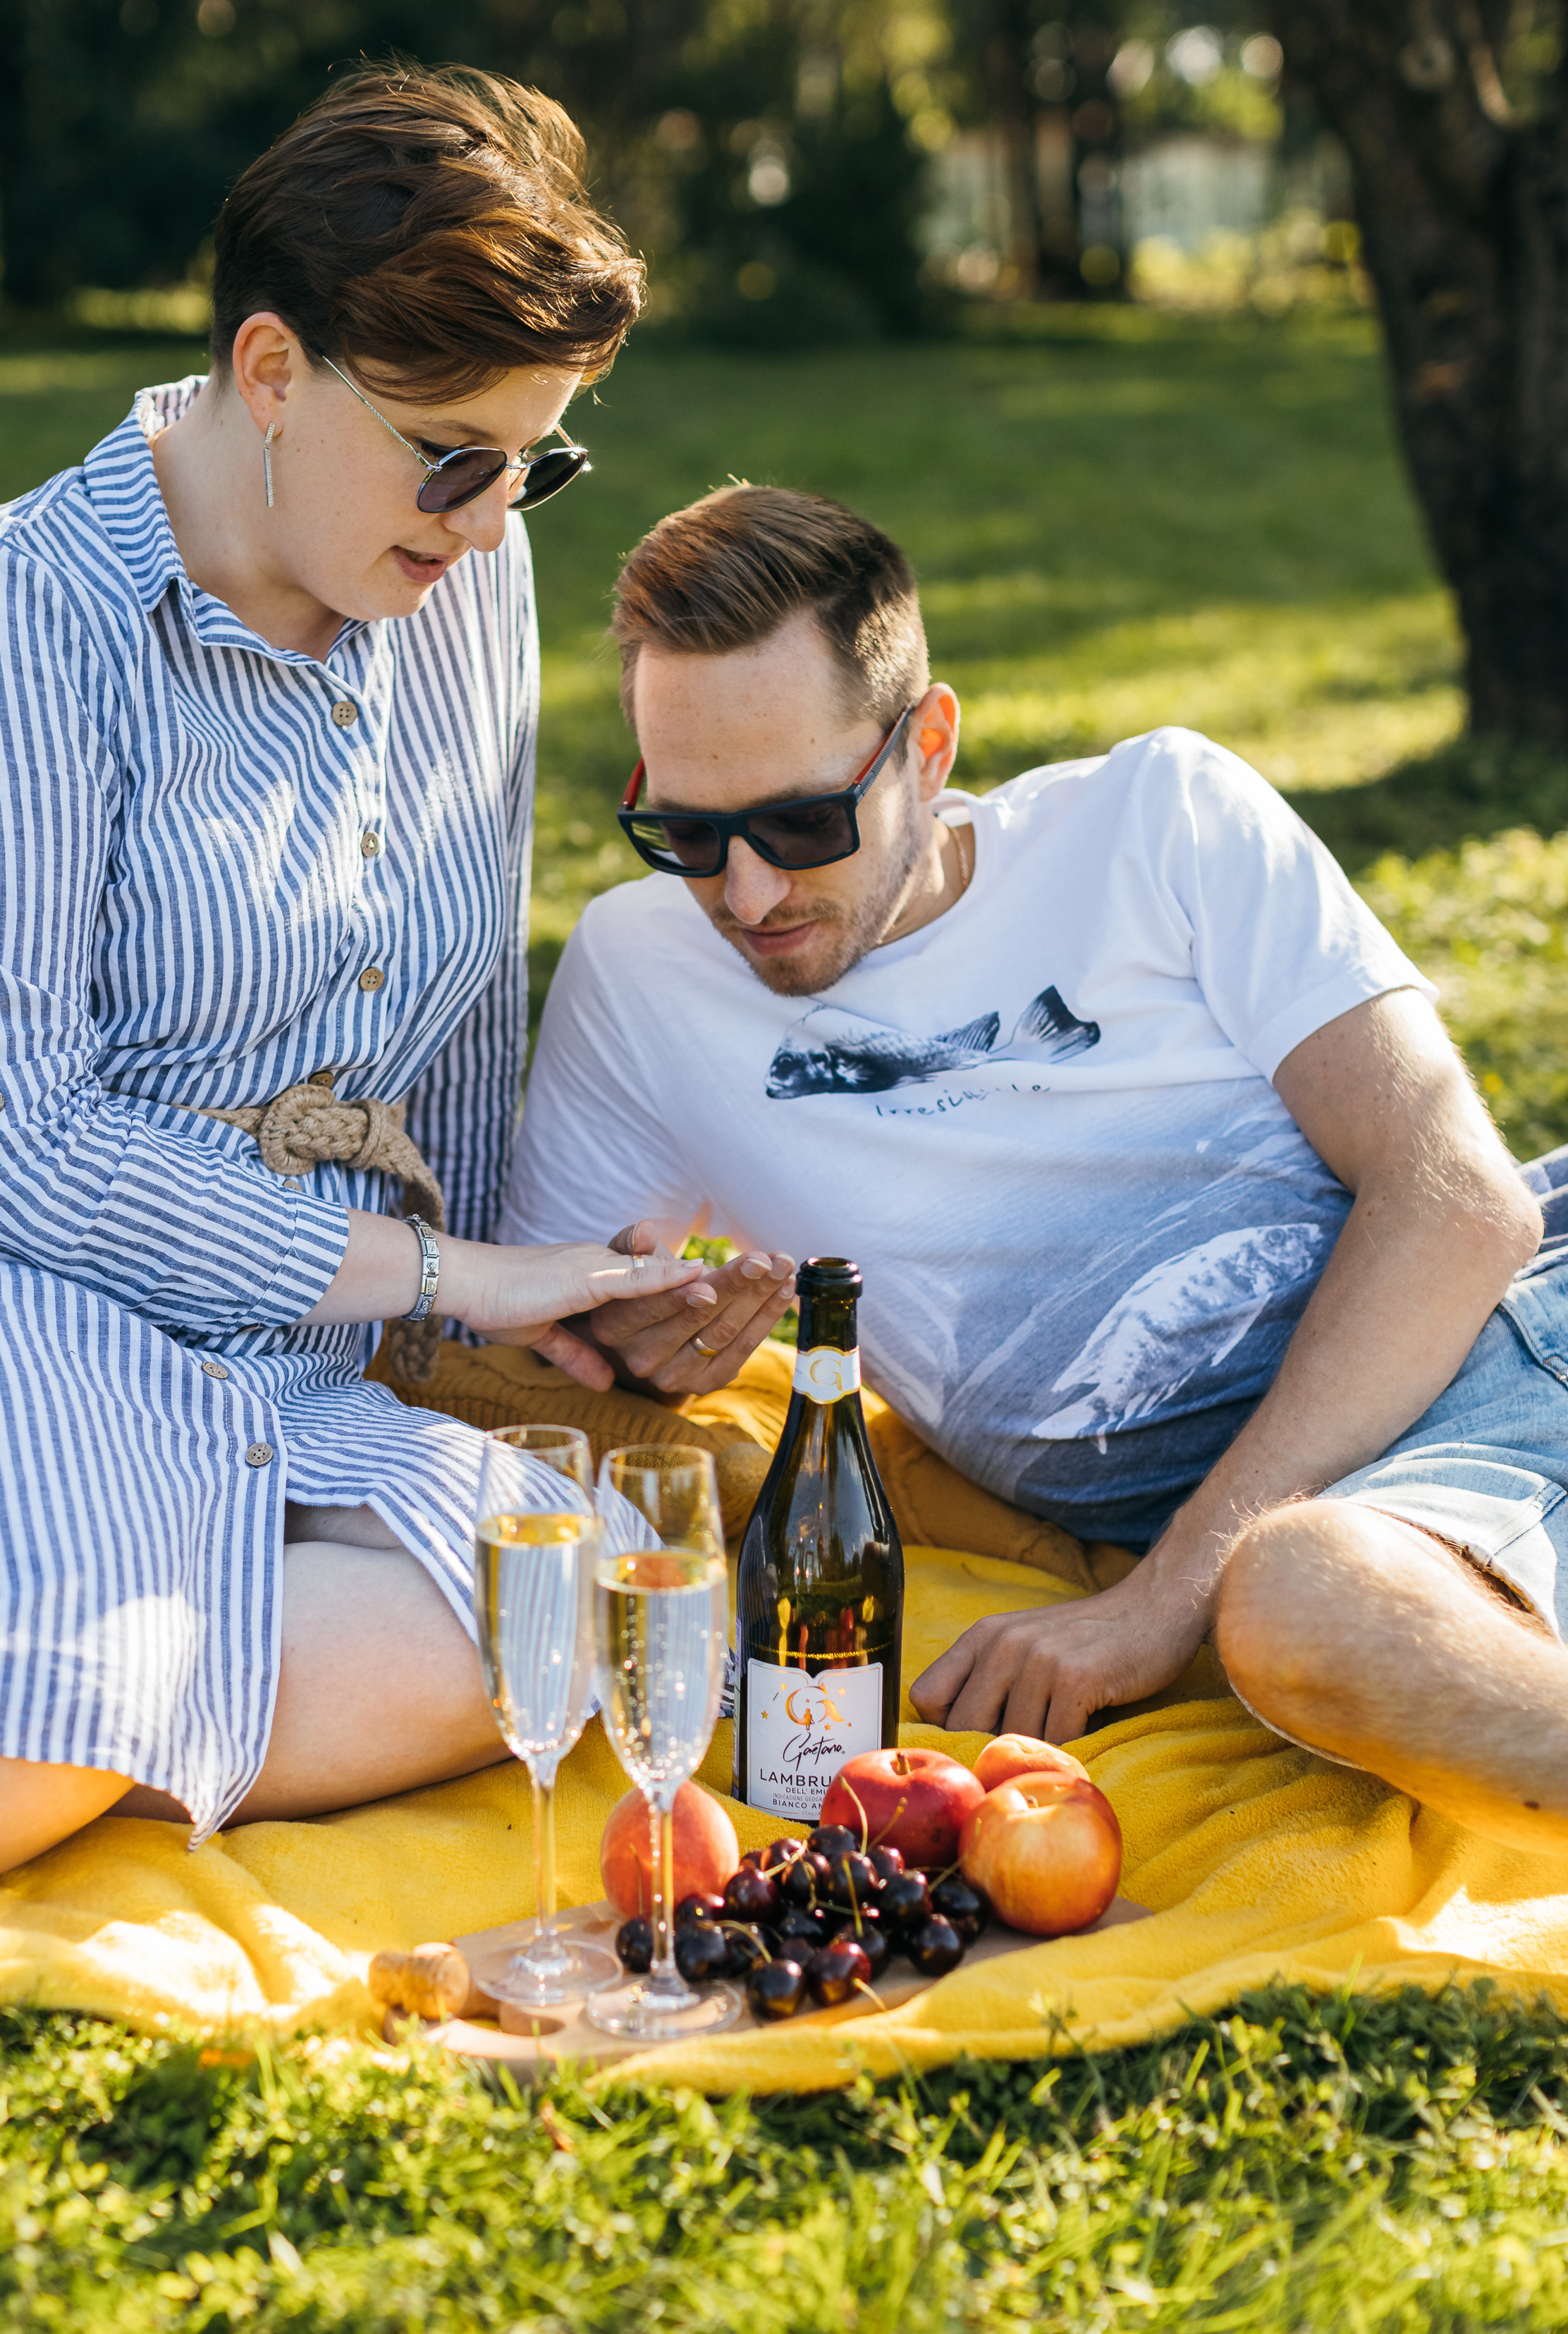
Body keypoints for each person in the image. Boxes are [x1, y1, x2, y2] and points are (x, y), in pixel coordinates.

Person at [0, 64, 708, 1929]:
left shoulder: (461, 575)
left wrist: (549, 1295)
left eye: (538, 459)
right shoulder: (3, 621)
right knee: (53, 1680)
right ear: (271, 371)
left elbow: (435, 1052)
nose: (494, 519)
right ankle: (18, 1715)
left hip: (267, 1340)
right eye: (451, 453)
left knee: (567, 1601)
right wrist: (441, 1282)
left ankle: (10, 1721)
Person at [500, 483, 1568, 1857]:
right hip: (1377, 1496)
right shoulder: (639, 974)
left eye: (802, 826)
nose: (750, 896)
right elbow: (546, 1342)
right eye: (689, 837)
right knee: (1306, 1596)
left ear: (925, 746)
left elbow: (1454, 1204)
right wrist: (642, 1343)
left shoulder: (1157, 822)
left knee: (1295, 1597)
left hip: (1496, 1339)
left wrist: (1160, 1602)